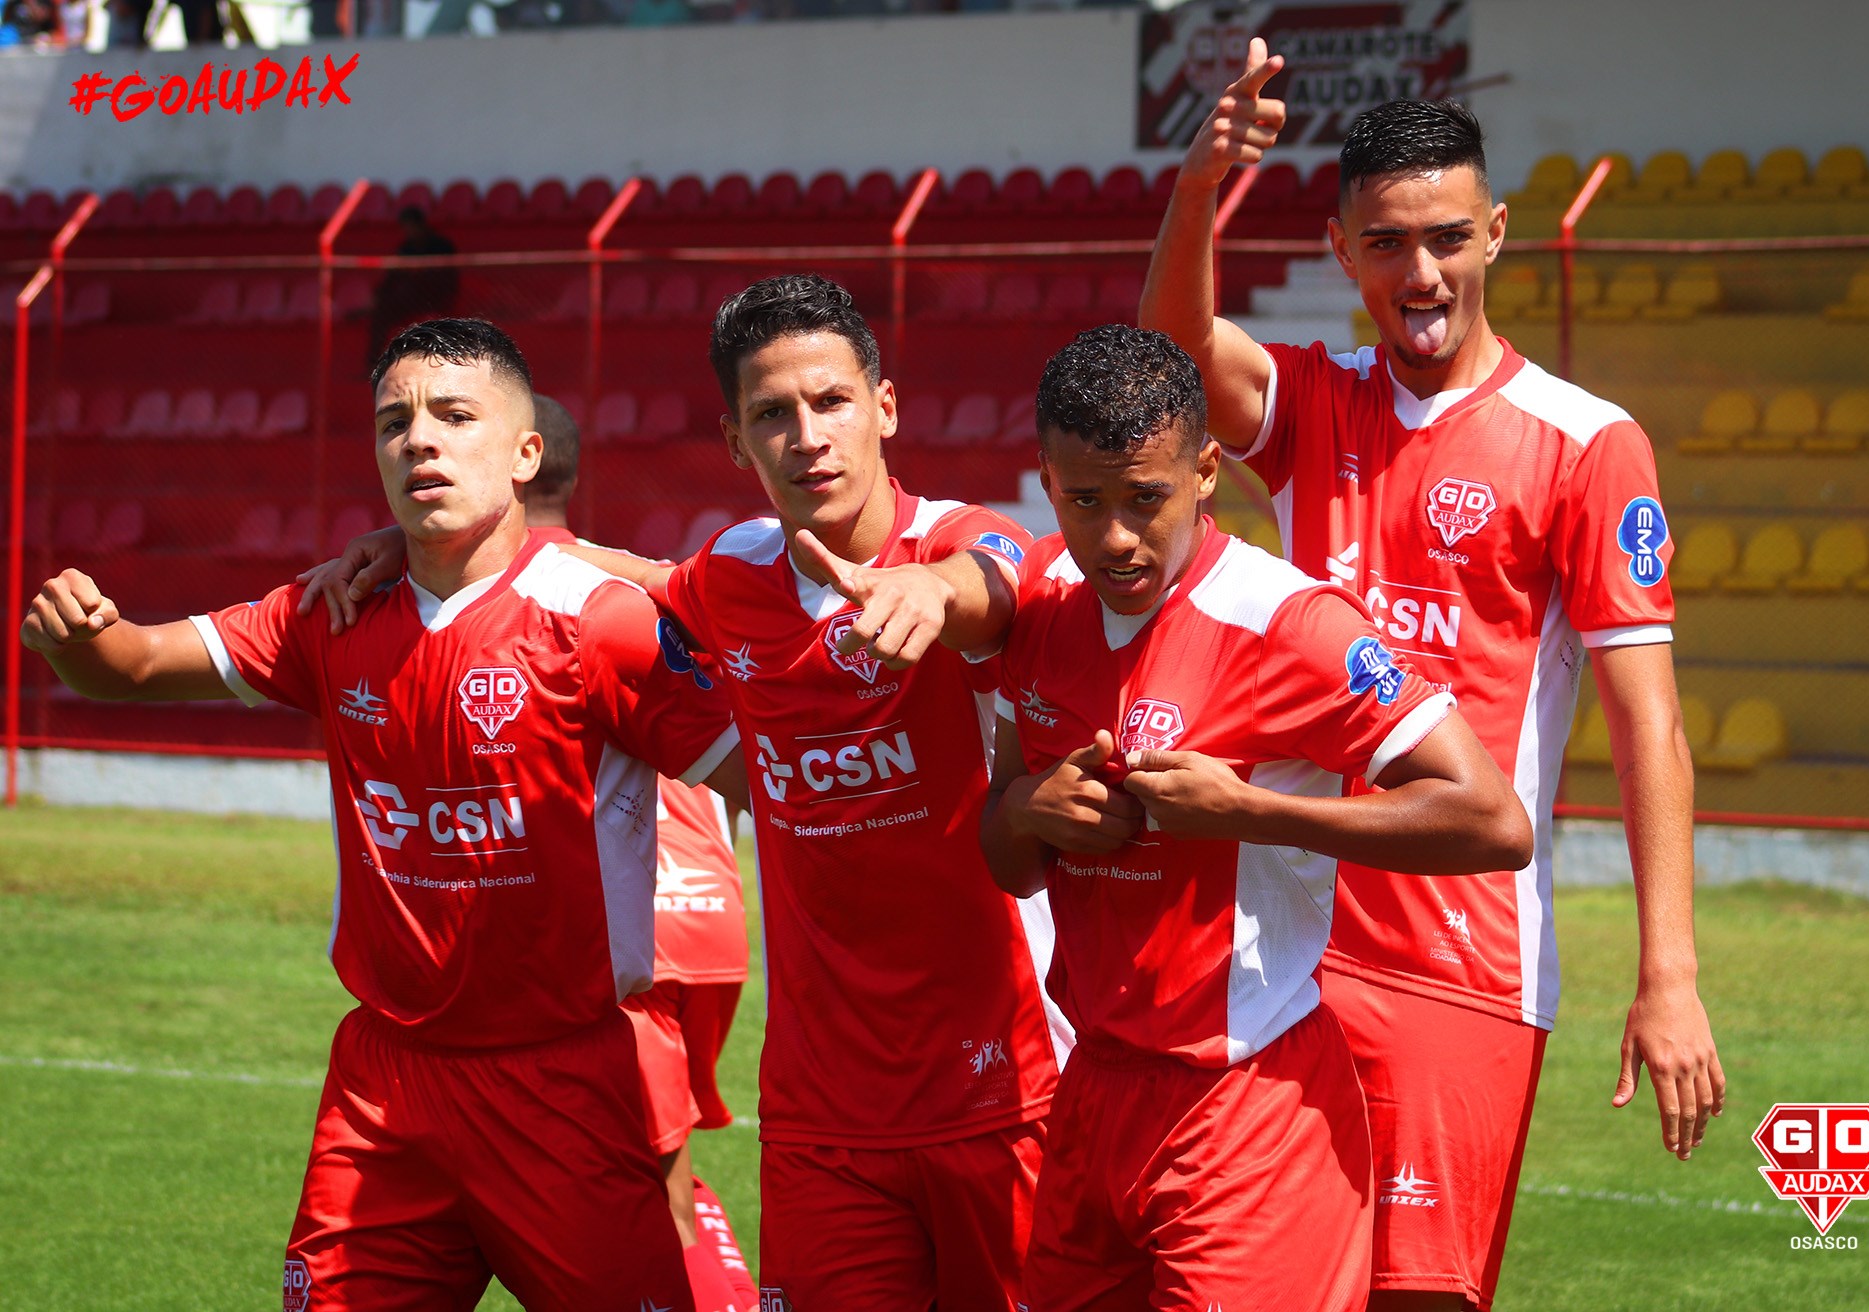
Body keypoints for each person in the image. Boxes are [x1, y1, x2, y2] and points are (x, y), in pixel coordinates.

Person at [300, 276, 1068, 1312]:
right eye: (771, 415)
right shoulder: (733, 572)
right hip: (819, 1114)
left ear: (885, 408)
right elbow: (599, 571)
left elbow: (1008, 574)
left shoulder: (956, 543)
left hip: (1001, 1087)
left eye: (832, 402)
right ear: (735, 440)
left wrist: (934, 591)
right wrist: (421, 546)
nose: (808, 436)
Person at [1140, 48, 1727, 1311]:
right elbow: (1169, 360)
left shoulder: (1585, 442)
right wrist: (1199, 183)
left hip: (1456, 968)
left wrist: (1667, 972)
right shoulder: (1313, 405)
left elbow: (1649, 728)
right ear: (1341, 249)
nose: (1423, 274)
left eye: (1450, 237)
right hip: (1280, 954)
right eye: (1390, 243)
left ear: (1499, 234)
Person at [20, 318, 744, 1311]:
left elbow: (769, 778)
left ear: (527, 452)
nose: (420, 440)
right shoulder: (336, 610)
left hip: (564, 1085)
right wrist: (78, 637)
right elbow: (131, 666)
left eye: (454, 415)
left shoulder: (598, 618)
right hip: (383, 1091)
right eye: (394, 421)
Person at [981, 325, 1532, 1312]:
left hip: (1245, 1102)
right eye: (1084, 500)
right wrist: (1029, 808)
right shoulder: (1043, 608)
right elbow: (1008, 860)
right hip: (1094, 1091)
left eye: (1145, 499)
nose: (1115, 535)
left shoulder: (1292, 623)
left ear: (1205, 470)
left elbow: (1493, 820)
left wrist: (1252, 811)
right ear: (1047, 478)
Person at [526, 390, 760, 1312]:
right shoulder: (640, 587)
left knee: (647, 1186)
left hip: (634, 932)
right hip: (715, 919)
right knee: (663, 1162)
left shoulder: (529, 598)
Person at [368, 208, 461, 368]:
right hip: (407, 300)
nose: (409, 231)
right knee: (381, 312)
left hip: (434, 297)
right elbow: (393, 276)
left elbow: (447, 278)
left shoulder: (441, 245)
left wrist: (419, 272)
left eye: (412, 226)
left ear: (421, 225)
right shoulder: (406, 248)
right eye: (406, 227)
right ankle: (374, 364)